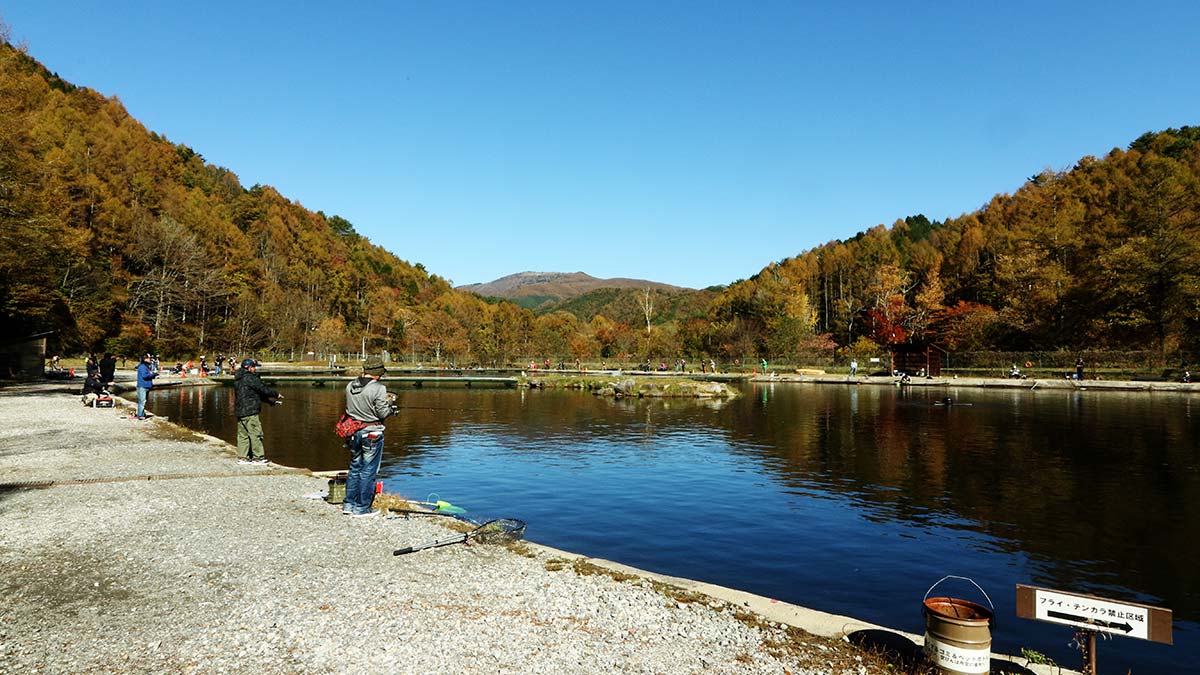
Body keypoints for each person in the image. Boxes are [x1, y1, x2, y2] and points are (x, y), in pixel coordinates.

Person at [342, 358, 395, 517]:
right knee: (368, 471)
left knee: (355, 468)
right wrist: (391, 407)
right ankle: (362, 508)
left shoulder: (350, 385)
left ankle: (349, 505)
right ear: (378, 373)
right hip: (372, 433)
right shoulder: (379, 388)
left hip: (353, 433)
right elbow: (382, 413)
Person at [234, 359, 282, 464]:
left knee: (243, 435)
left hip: (240, 412)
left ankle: (243, 458)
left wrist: (271, 402)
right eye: (254, 367)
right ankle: (258, 458)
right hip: (250, 411)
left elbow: (255, 394)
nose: (255, 369)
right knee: (256, 434)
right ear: (249, 367)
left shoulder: (238, 379)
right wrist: (276, 394)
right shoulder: (250, 378)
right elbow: (263, 389)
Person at [134, 353, 157, 420]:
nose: (150, 360)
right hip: (142, 386)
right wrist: (153, 375)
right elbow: (145, 376)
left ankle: (141, 414)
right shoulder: (143, 367)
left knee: (143, 401)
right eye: (149, 358)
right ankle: (140, 415)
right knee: (142, 401)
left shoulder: (145, 366)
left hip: (146, 386)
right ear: (145, 359)